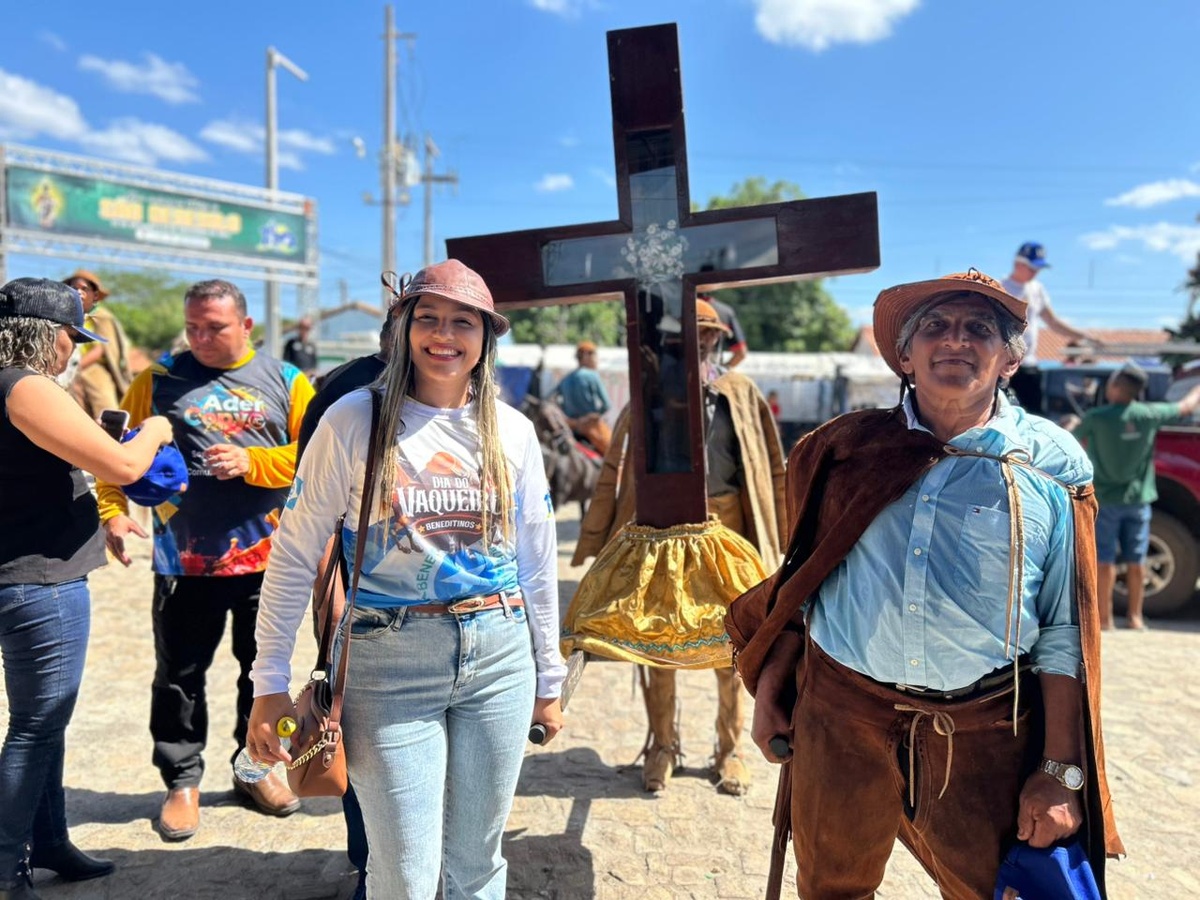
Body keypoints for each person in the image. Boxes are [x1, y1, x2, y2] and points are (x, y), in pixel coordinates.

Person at [730, 269, 1122, 899]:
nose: (955, 340)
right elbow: (807, 581)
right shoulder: (843, 451)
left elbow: (1064, 631)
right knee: (830, 888)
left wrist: (1060, 770)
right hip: (842, 716)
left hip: (985, 730)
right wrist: (775, 682)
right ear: (905, 357)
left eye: (979, 328)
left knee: (983, 892)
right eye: (935, 326)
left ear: (1010, 360)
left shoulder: (1053, 466)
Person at [247, 259, 567, 899]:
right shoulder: (353, 420)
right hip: (387, 662)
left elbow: (537, 559)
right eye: (428, 318)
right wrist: (268, 682)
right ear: (402, 328)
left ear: (486, 337)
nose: (443, 335)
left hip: (499, 655)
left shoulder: (514, 431)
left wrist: (548, 676)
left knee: (478, 864)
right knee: (404, 875)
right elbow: (294, 551)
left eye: (463, 322)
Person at [96, 279, 315, 842]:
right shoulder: (158, 380)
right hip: (184, 564)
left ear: (246, 326)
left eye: (214, 327)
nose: (200, 338)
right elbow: (111, 451)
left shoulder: (287, 380)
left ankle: (255, 770)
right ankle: (181, 782)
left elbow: (319, 456)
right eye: (192, 327)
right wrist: (113, 512)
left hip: (271, 563)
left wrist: (254, 462)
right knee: (179, 677)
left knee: (262, 675)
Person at [1, 278, 174, 899]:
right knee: (36, 726)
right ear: (46, 336)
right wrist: (156, 430)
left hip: (27, 573)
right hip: (38, 578)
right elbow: (124, 467)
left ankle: (49, 842)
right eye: (72, 338)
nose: (75, 350)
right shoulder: (24, 386)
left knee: (43, 723)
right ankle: (6, 866)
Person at [572, 298, 786, 796]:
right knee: (660, 638)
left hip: (730, 524)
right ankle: (662, 746)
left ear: (717, 340)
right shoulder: (649, 393)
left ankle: (729, 750)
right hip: (664, 526)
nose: (698, 343)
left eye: (707, 335)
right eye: (688, 336)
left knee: (734, 644)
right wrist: (602, 533)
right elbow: (615, 466)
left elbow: (769, 465)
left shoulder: (740, 391)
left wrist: (782, 533)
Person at [292, 303, 399, 900]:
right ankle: (369, 865)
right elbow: (313, 510)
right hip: (352, 587)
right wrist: (331, 597)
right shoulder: (345, 393)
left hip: (447, 606)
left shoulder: (466, 390)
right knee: (353, 727)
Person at [1071, 362, 1200, 630]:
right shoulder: (1148, 414)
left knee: (1104, 559)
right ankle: (1135, 617)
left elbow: (1072, 439)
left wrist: (1072, 424)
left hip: (1106, 500)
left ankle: (1105, 618)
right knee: (1137, 560)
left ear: (1117, 387)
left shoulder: (1096, 417)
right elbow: (1186, 407)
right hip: (1139, 501)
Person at [1001, 243, 1098, 411]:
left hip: (1028, 364)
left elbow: (1053, 322)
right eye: (1032, 268)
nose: (1036, 272)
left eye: (1038, 268)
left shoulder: (1037, 289)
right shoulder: (1001, 287)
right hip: (1003, 364)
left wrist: (1084, 336)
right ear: (1018, 263)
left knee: (1033, 413)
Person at [61, 270, 133, 418]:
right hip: (64, 366)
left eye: (84, 289)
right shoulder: (62, 315)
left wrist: (76, 367)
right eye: (74, 288)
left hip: (92, 367)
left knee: (105, 405)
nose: (78, 292)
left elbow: (101, 349)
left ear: (95, 295)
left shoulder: (102, 317)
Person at [551, 340, 612, 453]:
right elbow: (607, 405)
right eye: (595, 356)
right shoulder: (592, 376)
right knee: (616, 455)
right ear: (586, 356)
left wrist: (568, 419)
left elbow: (552, 399)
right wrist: (592, 416)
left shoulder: (565, 379)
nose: (597, 360)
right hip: (591, 430)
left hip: (570, 430)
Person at [703, 295, 748, 369]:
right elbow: (741, 353)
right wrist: (721, 371)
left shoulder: (682, 308)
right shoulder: (725, 311)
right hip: (713, 366)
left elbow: (741, 352)